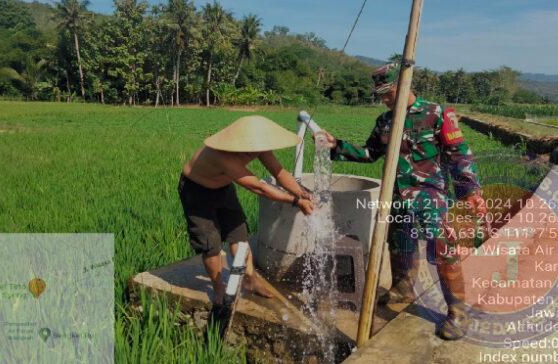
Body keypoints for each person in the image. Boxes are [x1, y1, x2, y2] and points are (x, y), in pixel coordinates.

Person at [320, 63, 487, 340]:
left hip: (429, 193)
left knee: (444, 248)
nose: (384, 99)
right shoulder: (384, 121)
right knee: (399, 243)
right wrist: (336, 144)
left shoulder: (436, 113)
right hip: (396, 195)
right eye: (381, 95)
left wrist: (470, 191)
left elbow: (459, 153)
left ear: (404, 85)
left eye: (388, 93)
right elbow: (368, 153)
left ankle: (458, 311)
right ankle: (402, 288)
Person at [178, 115, 313, 310]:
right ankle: (218, 288)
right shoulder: (222, 154)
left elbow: (280, 172)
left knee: (238, 233)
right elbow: (259, 187)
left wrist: (303, 193)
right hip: (196, 191)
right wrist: (295, 201)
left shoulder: (258, 148)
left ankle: (250, 279)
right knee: (211, 244)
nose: (256, 151)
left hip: (223, 188)